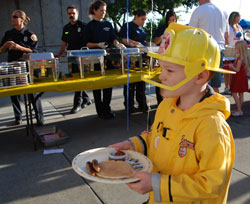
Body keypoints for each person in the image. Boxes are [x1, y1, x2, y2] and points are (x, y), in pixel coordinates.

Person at [109, 23, 235, 204]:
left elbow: (213, 184)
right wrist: (133, 145)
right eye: (161, 68)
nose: (161, 76)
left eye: (169, 70)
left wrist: (158, 184)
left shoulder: (211, 126)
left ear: (200, 76)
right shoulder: (167, 106)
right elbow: (158, 138)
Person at [0, 10, 44, 126]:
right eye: (11, 17)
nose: (12, 19)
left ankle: (39, 118)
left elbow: (34, 51)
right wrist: (5, 46)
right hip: (12, 66)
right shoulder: (8, 33)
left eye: (15, 17)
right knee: (14, 93)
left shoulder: (30, 34)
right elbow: (1, 50)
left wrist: (19, 47)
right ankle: (18, 116)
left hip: (25, 66)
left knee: (32, 94)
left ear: (22, 19)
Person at [84, 0, 125, 119]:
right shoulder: (89, 26)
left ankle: (107, 109)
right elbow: (86, 43)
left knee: (108, 84)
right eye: (101, 10)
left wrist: (118, 44)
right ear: (95, 11)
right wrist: (98, 44)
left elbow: (113, 38)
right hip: (95, 59)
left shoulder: (108, 24)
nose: (103, 13)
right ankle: (100, 111)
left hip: (108, 58)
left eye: (105, 11)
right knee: (97, 85)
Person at [57, 5, 92, 114]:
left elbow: (88, 42)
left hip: (82, 57)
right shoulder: (66, 28)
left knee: (78, 80)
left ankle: (77, 104)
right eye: (69, 13)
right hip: (71, 57)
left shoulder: (84, 26)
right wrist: (59, 54)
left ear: (77, 13)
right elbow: (64, 43)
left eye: (73, 13)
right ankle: (86, 99)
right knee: (75, 78)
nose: (71, 15)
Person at [189, 0, 228, 93]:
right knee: (215, 86)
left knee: (201, 85)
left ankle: (202, 107)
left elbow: (191, 34)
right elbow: (226, 36)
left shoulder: (198, 11)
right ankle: (215, 106)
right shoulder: (223, 11)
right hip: (219, 50)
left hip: (204, 50)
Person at [120, 9, 148, 114]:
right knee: (130, 84)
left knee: (141, 83)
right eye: (142, 19)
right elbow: (123, 39)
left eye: (145, 20)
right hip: (130, 58)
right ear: (136, 16)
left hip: (141, 59)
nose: (143, 21)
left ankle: (142, 104)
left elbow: (143, 42)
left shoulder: (141, 29)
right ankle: (129, 106)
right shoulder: (127, 26)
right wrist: (134, 43)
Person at [154, 10, 177, 105]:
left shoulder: (179, 29)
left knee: (173, 79)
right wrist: (163, 35)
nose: (172, 22)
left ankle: (172, 100)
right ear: (167, 21)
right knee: (162, 79)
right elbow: (156, 41)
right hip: (163, 57)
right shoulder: (162, 28)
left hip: (174, 57)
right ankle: (160, 102)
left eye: (174, 20)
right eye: (170, 20)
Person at [228, 40, 250, 116]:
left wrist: (231, 66)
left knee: (234, 93)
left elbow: (237, 69)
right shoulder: (244, 57)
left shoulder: (240, 58)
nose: (235, 49)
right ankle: (239, 109)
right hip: (242, 77)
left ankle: (239, 110)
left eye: (236, 48)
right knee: (241, 94)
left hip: (238, 77)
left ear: (240, 49)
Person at [224, 11, 244, 94]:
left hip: (238, 51)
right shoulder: (228, 27)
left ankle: (232, 87)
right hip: (229, 50)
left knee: (235, 70)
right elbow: (226, 37)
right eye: (237, 17)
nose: (239, 18)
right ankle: (226, 87)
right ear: (233, 17)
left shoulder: (239, 27)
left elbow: (242, 38)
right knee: (227, 69)